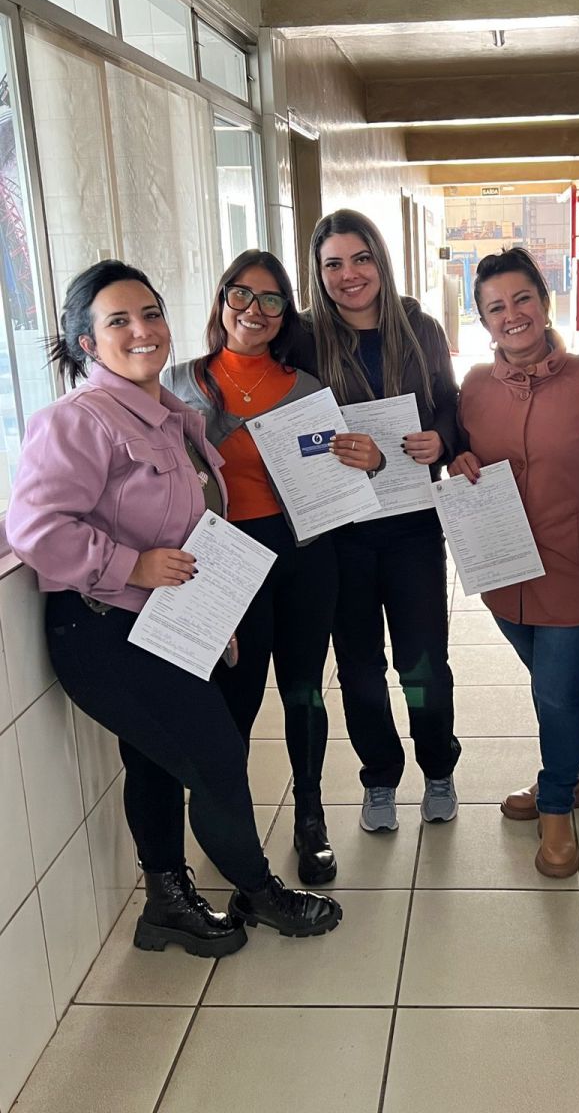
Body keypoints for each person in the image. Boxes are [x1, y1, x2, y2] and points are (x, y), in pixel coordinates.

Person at [6, 260, 342, 958]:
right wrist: (129, 566)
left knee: (154, 759)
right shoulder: (76, 421)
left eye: (151, 313)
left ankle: (166, 902)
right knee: (216, 755)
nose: (142, 330)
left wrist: (214, 616)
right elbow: (35, 528)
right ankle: (258, 891)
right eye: (118, 321)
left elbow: (197, 530)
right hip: (102, 630)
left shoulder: (174, 419)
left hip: (168, 623)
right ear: (86, 343)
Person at [169, 250, 380, 887]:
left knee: (303, 689)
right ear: (221, 299)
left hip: (303, 552)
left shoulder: (308, 390)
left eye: (271, 300)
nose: (253, 310)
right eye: (241, 294)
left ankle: (310, 817)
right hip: (223, 558)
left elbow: (336, 477)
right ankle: (228, 823)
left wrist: (366, 461)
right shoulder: (177, 386)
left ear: (286, 314)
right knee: (233, 696)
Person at [449, 248, 579, 877]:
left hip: (577, 567)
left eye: (522, 299)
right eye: (495, 307)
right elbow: (458, 450)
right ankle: (571, 778)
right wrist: (458, 461)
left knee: (558, 693)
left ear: (544, 302)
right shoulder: (473, 387)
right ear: (483, 320)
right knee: (549, 686)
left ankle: (555, 805)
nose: (511, 314)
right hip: (503, 570)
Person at [302, 209, 461, 832]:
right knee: (360, 668)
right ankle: (380, 776)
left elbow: (448, 403)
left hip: (411, 528)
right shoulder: (303, 339)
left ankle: (438, 765)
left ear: (381, 261)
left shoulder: (419, 328)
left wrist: (440, 439)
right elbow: (287, 432)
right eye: (333, 264)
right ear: (318, 273)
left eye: (361, 258)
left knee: (423, 663)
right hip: (339, 535)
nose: (349, 274)